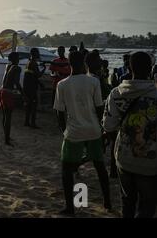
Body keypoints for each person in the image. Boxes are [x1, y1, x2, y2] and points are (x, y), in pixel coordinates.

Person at [54, 51, 111, 216]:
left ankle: (70, 207)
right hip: (93, 129)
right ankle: (107, 201)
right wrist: (102, 129)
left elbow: (59, 113)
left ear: (69, 64)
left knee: (66, 169)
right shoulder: (93, 81)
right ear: (85, 63)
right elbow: (100, 108)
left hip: (74, 131)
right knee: (99, 166)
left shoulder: (62, 84)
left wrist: (64, 130)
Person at [103, 51, 157, 218]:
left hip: (124, 157)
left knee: (127, 201)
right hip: (150, 162)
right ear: (151, 69)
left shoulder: (116, 93)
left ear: (128, 67)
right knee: (147, 205)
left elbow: (108, 126)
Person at [0, 52, 22, 146]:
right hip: (8, 92)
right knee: (8, 117)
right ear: (16, 59)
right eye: (18, 57)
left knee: (5, 116)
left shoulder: (8, 66)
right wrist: (22, 93)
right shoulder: (17, 68)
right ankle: (6, 140)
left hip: (1, 91)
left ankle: (6, 136)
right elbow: (16, 82)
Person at [23, 48, 46, 128]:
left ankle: (26, 121)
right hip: (31, 87)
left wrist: (39, 83)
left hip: (27, 86)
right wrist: (44, 69)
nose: (38, 54)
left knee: (28, 105)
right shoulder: (34, 63)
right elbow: (38, 75)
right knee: (33, 105)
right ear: (35, 54)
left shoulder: (28, 62)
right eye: (37, 53)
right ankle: (32, 123)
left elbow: (32, 76)